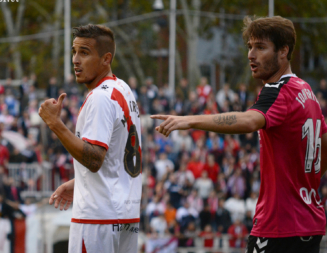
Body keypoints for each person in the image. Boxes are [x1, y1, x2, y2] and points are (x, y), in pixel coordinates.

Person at [152, 16, 326, 253]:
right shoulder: (307, 92)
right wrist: (304, 183)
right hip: (309, 225)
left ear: (284, 51)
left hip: (278, 226)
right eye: (249, 47)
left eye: (261, 47)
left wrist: (189, 120)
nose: (251, 55)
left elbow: (248, 120)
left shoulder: (277, 90)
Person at [39, 24, 142, 253]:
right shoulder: (123, 90)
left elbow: (95, 159)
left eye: (84, 53)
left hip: (97, 221)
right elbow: (115, 161)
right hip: (125, 217)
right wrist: (80, 183)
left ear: (106, 58)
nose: (76, 60)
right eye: (74, 52)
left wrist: (54, 124)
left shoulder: (100, 98)